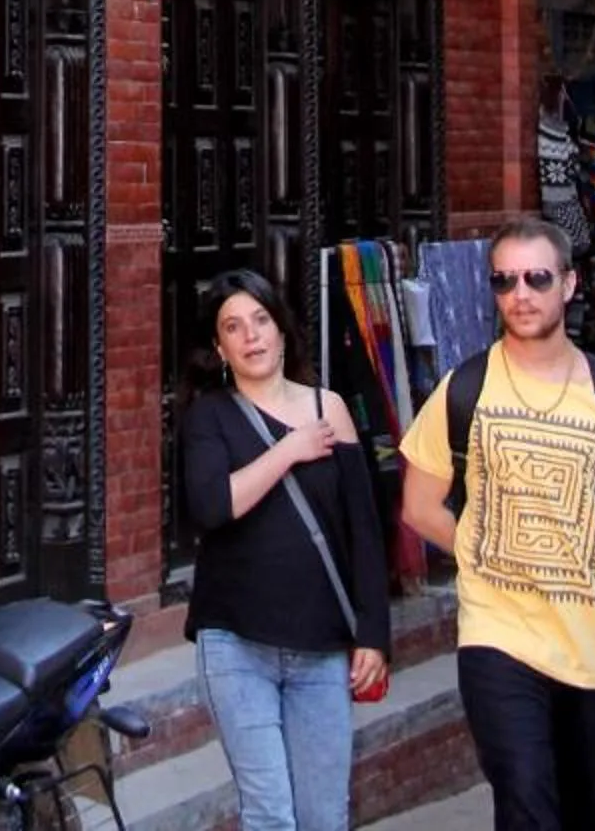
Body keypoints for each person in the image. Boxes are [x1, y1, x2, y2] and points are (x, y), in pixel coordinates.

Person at [399, 214, 595, 831]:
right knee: (525, 799)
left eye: (536, 278)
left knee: (588, 811)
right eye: (504, 282)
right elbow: (419, 505)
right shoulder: (464, 390)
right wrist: (479, 550)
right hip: (499, 636)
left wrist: (583, 551)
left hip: (594, 647)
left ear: (569, 284)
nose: (520, 294)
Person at [179, 268, 391, 831]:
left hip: (321, 645)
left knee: (324, 815)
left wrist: (372, 632)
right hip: (236, 643)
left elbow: (364, 530)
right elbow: (213, 506)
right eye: (233, 328)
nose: (251, 337)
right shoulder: (209, 417)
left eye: (260, 321)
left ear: (281, 329)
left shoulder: (332, 409)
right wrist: (291, 449)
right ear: (219, 347)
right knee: (270, 814)